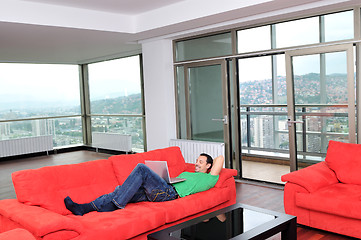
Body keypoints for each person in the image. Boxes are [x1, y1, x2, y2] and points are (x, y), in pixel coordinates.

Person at [64, 153, 224, 216]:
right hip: (163, 189)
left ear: (209, 166)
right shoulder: (188, 173)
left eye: (201, 162)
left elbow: (220, 158)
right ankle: (84, 208)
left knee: (141, 169)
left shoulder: (209, 178)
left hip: (169, 194)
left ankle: (117, 204)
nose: (196, 164)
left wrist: (208, 163)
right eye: (197, 160)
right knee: (120, 190)